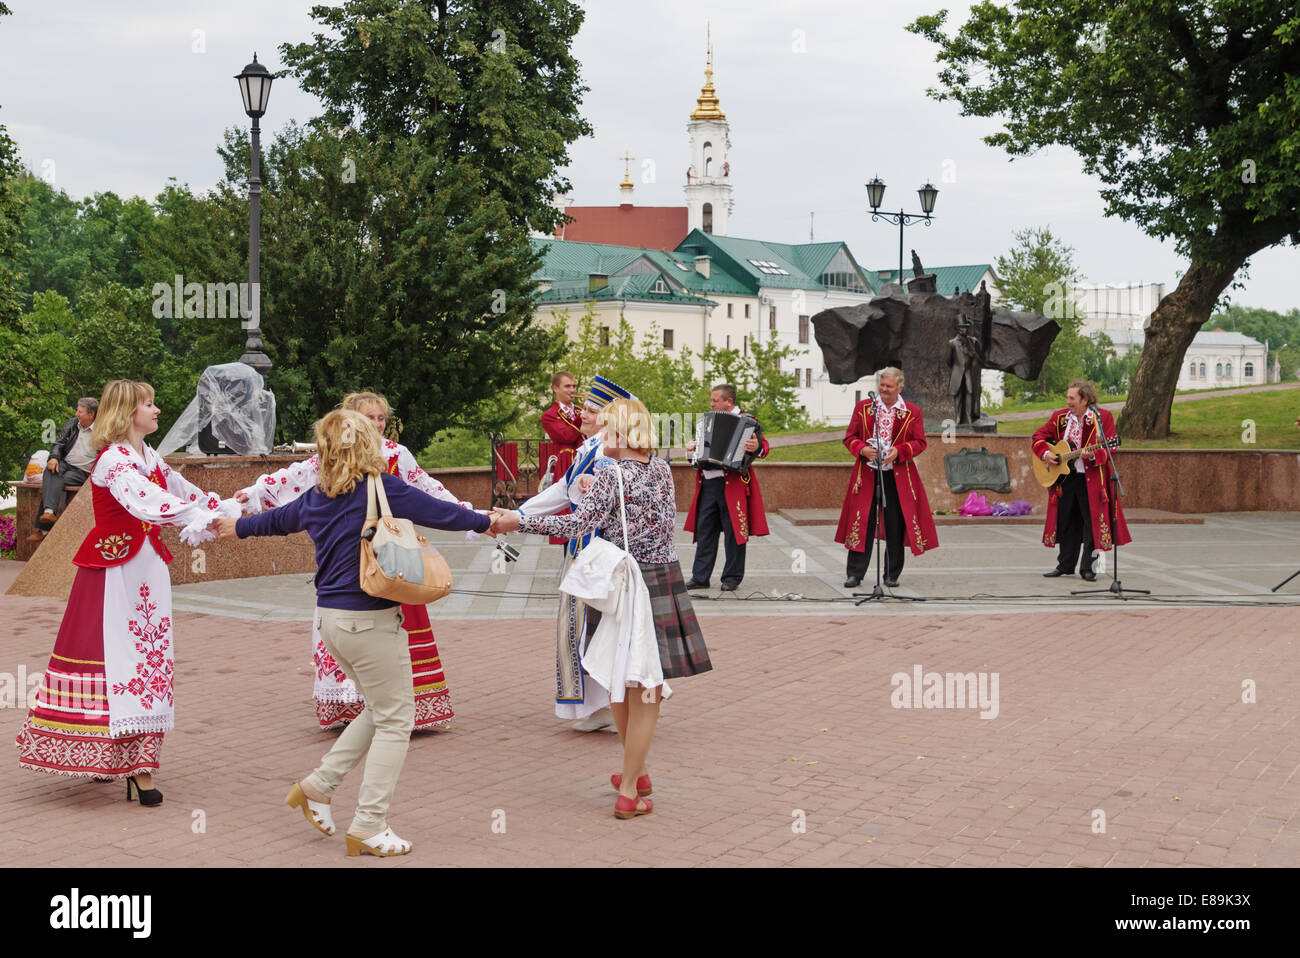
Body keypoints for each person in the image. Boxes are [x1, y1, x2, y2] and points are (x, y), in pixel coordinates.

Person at [217, 409, 492, 856]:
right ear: (366, 444)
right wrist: (488, 521)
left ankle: (317, 787)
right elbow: (443, 513)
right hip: (370, 622)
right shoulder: (383, 489)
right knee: (397, 720)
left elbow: (276, 519)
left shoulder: (317, 495)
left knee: (379, 710)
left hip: (330, 621)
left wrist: (236, 527)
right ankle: (368, 824)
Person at [16, 381, 237, 804]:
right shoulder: (111, 461)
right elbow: (145, 499)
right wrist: (196, 516)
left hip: (146, 567)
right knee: (111, 656)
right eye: (148, 404)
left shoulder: (148, 456)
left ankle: (138, 761)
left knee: (146, 659)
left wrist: (224, 507)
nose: (157, 410)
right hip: (113, 571)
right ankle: (112, 758)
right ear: (126, 412)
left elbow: (176, 488)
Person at [495, 396, 711, 819]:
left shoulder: (612, 474)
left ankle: (629, 790)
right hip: (660, 578)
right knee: (642, 682)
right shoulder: (664, 468)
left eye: (608, 429)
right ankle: (639, 773)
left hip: (623, 582)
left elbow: (575, 525)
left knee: (625, 677)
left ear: (624, 434)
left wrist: (517, 520)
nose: (599, 436)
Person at [235, 391, 469, 732]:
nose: (377, 424)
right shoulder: (327, 459)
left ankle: (394, 710)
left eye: (381, 418)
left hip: (389, 558)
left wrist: (470, 515)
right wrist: (254, 495)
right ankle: (353, 707)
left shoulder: (394, 455)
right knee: (354, 629)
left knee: (388, 628)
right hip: (345, 563)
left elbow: (427, 490)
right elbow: (293, 479)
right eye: (369, 418)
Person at [518, 374, 629, 732]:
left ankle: (609, 705)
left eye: (591, 412)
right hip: (583, 551)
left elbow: (607, 499)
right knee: (581, 628)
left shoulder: (608, 455)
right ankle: (595, 706)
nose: (582, 415)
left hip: (600, 552)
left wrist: (513, 521)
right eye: (583, 409)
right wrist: (513, 517)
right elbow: (560, 494)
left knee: (594, 628)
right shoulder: (589, 452)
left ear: (609, 420)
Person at [835, 367, 939, 588]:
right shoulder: (864, 408)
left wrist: (899, 452)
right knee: (861, 521)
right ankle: (855, 573)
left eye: (888, 386)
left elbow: (920, 442)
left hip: (898, 476)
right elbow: (849, 437)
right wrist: (862, 449)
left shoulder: (912, 412)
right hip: (867, 474)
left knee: (895, 524)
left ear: (900, 387)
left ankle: (891, 574)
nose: (883, 390)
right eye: (881, 385)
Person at [1032, 380, 1131, 581]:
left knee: (1092, 523)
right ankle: (1065, 565)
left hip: (1092, 480)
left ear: (1085, 400)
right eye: (1068, 397)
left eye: (1072, 398)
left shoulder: (1102, 418)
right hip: (1066, 479)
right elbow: (1038, 436)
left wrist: (1093, 455)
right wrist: (1045, 454)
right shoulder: (1059, 418)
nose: (1068, 402)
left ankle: (1089, 568)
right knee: (1067, 521)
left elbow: (1110, 447)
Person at [683, 384, 769, 591]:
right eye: (711, 400)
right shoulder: (707, 422)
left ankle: (732, 577)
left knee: (734, 532)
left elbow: (765, 448)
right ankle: (700, 577)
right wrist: (691, 452)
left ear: (728, 402)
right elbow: (698, 457)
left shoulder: (749, 423)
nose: (711, 404)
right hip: (709, 484)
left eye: (715, 400)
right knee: (706, 532)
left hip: (734, 485)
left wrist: (756, 447)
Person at [35, 398, 98, 530]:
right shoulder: (72, 423)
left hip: (84, 472)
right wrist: (53, 457)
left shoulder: (103, 429)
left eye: (80, 411)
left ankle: (44, 527)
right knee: (51, 468)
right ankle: (48, 514)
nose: (76, 414)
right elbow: (59, 443)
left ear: (91, 414)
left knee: (55, 480)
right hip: (66, 463)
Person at [540, 370, 583, 491]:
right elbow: (567, 436)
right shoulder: (549, 415)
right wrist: (584, 413)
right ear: (555, 388)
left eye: (574, 386)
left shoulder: (581, 411)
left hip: (587, 461)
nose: (572, 390)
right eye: (567, 386)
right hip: (567, 466)